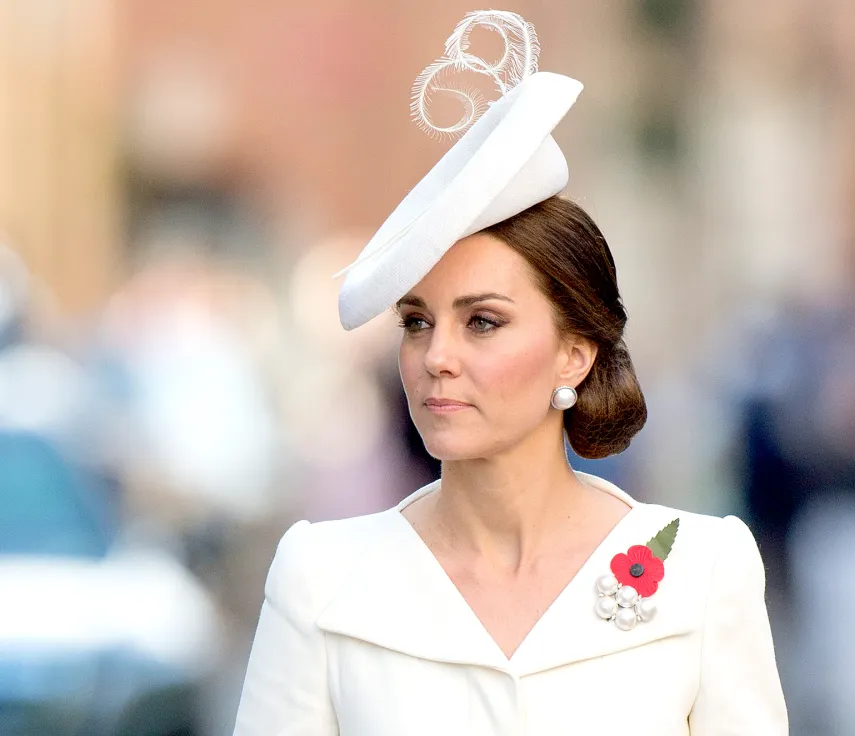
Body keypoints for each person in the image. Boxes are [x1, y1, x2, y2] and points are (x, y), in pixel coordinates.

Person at [233, 10, 786, 735]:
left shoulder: (701, 569)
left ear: (574, 352)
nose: (437, 357)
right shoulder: (321, 577)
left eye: (483, 321)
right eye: (416, 322)